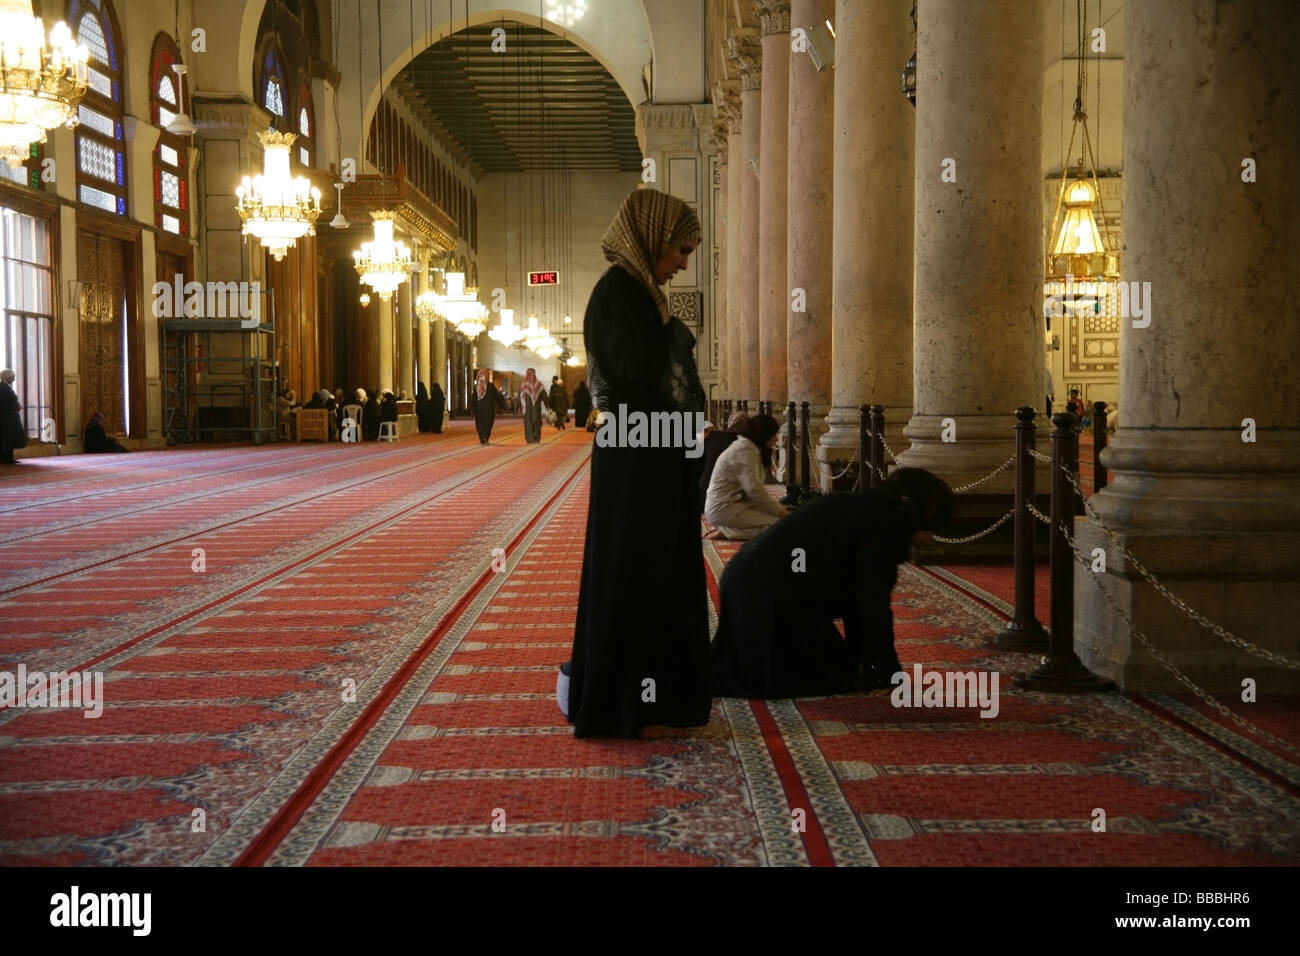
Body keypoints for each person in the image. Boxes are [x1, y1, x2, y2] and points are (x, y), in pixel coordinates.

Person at [562, 186, 709, 739]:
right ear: (653, 243)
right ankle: (619, 704)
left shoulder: (638, 293)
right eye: (679, 251)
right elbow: (645, 377)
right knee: (632, 568)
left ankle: (654, 697)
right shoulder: (620, 294)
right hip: (635, 456)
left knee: (655, 568)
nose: (682, 264)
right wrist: (676, 336)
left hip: (649, 452)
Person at [711, 467, 954, 699]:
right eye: (932, 530)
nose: (930, 539)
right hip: (767, 596)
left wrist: (868, 665)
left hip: (749, 582)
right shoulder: (883, 529)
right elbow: (872, 605)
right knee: (823, 677)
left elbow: (857, 598)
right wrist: (884, 674)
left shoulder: (866, 508)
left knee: (840, 669)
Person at [703, 413, 787, 540]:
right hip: (723, 507)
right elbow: (755, 491)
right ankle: (729, 531)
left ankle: (730, 528)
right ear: (764, 434)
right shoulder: (746, 450)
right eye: (774, 434)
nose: (776, 439)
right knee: (779, 526)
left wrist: (775, 510)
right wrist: (781, 512)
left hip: (732, 503)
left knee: (774, 518)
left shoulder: (748, 446)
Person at [698, 410, 748, 505]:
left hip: (702, 495)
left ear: (729, 422)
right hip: (722, 501)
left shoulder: (713, 435)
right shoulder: (743, 444)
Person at [470, 371, 505, 444]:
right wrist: (502, 405)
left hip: (483, 410)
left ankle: (483, 438)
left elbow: (496, 397)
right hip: (486, 410)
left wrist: (472, 409)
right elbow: (497, 397)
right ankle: (484, 437)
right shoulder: (486, 387)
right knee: (486, 424)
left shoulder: (486, 387)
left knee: (482, 425)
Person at [1, 369, 27, 464]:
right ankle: (6, 458)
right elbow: (5, 403)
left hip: (9, 417)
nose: (14, 379)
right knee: (7, 438)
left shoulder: (6, 387)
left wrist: (16, 405)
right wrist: (15, 406)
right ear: (7, 377)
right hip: (6, 418)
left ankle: (9, 457)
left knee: (10, 438)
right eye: (12, 377)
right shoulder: (2, 388)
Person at [519, 368, 545, 443]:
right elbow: (544, 396)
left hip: (526, 409)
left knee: (528, 423)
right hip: (536, 409)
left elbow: (519, 397)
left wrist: (517, 406)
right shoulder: (539, 384)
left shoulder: (523, 385)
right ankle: (536, 438)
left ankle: (530, 439)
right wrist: (547, 404)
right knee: (536, 422)